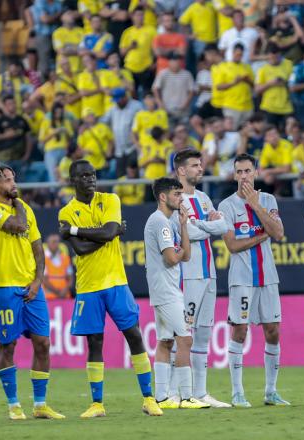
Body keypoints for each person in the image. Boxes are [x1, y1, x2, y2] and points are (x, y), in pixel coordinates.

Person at [58, 159, 162, 418]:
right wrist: (108, 233)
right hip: (88, 285)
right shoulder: (65, 211)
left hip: (116, 281)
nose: (90, 179)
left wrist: (75, 231)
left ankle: (149, 398)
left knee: (134, 335)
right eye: (84, 176)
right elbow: (82, 248)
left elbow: (108, 231)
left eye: (92, 175)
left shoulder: (110, 199)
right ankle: (97, 404)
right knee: (94, 342)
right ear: (73, 180)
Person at [0, 163, 64, 420]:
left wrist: (38, 281)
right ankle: (14, 405)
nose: (13, 184)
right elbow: (17, 226)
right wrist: (18, 207)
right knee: (8, 345)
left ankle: (40, 405)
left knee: (43, 343)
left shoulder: (23, 208)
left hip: (31, 287)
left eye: (13, 178)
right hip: (5, 286)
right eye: (6, 180)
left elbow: (37, 247)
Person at [218, 153, 289, 408]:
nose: (244, 176)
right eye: (239, 172)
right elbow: (233, 245)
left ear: (255, 173)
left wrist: (256, 205)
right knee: (240, 330)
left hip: (267, 276)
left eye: (248, 171)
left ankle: (271, 391)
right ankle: (237, 392)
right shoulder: (226, 206)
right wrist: (262, 236)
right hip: (242, 278)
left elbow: (278, 233)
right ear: (234, 175)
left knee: (273, 331)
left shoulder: (268, 200)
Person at [168, 149, 231, 407]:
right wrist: (208, 226)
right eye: (195, 165)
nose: (200, 169)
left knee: (204, 333)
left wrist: (201, 225)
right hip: (189, 275)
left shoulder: (204, 198)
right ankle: (173, 393)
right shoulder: (175, 199)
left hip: (209, 273)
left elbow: (223, 227)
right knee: (183, 333)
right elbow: (188, 234)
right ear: (181, 170)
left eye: (200, 164)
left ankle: (201, 392)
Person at [144, 177, 210, 410]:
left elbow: (187, 255)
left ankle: (162, 397)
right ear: (163, 197)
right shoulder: (160, 222)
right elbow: (172, 258)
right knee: (185, 338)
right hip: (166, 290)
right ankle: (186, 396)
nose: (181, 198)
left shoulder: (170, 221)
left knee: (165, 340)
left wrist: (183, 225)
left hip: (166, 288)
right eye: (176, 194)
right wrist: (179, 252)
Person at [42, 233, 73, 300]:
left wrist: (64, 290)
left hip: (65, 297)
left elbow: (70, 278)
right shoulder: (43, 259)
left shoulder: (65, 258)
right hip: (49, 297)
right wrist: (58, 292)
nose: (55, 244)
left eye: (57, 242)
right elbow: (44, 279)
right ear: (47, 243)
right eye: (53, 242)